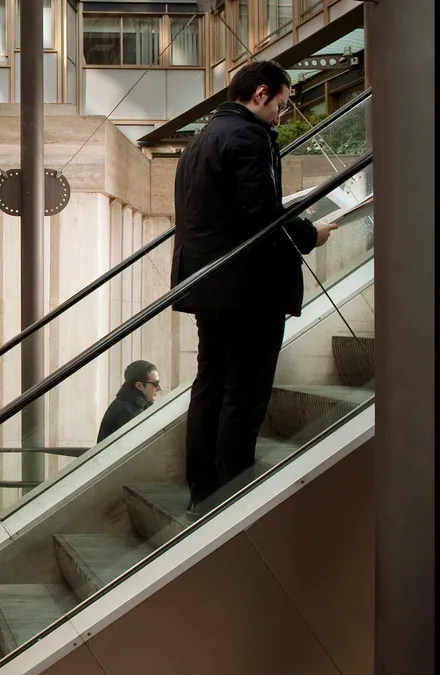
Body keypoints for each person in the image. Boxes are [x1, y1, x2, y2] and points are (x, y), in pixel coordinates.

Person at [171, 61, 339, 520]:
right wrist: (310, 234)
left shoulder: (200, 140)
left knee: (209, 386)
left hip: (207, 282)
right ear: (262, 93)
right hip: (247, 288)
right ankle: (234, 493)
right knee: (244, 392)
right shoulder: (247, 137)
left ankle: (202, 493)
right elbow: (261, 216)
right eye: (283, 104)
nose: (283, 115)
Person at [97, 360, 161, 443]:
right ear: (139, 386)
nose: (159, 388)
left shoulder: (135, 405)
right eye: (155, 384)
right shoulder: (126, 411)